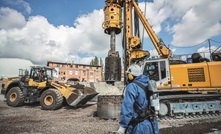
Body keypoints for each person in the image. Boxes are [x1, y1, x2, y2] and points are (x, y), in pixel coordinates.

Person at [116, 64, 159, 134]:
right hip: (150, 124)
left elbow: (127, 108)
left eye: (128, 75)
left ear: (131, 76)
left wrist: (123, 126)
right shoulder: (148, 83)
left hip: (138, 126)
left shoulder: (132, 86)